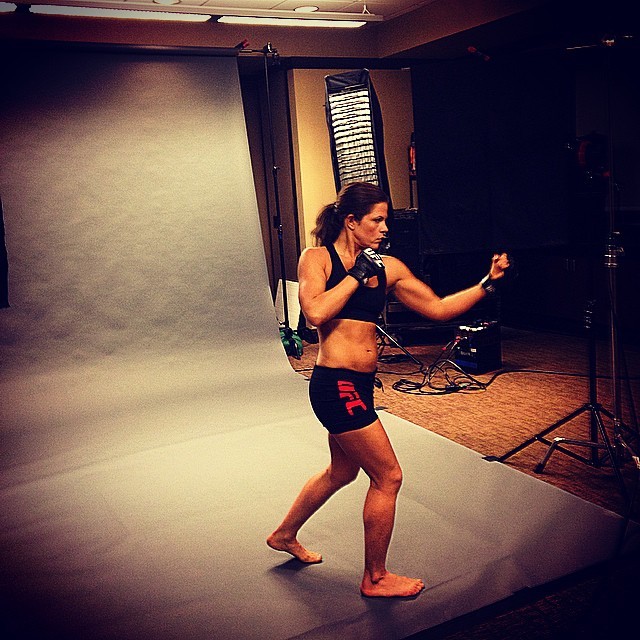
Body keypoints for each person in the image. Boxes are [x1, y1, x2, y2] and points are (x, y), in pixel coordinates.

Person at [267, 181, 510, 598]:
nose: (384, 229)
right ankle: (375, 578)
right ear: (351, 221)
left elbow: (438, 308)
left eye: (386, 221)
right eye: (376, 220)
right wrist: (356, 276)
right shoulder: (317, 259)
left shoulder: (388, 267)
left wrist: (488, 283)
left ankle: (284, 534)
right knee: (388, 476)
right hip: (336, 385)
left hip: (359, 385)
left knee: (341, 472)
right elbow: (315, 312)